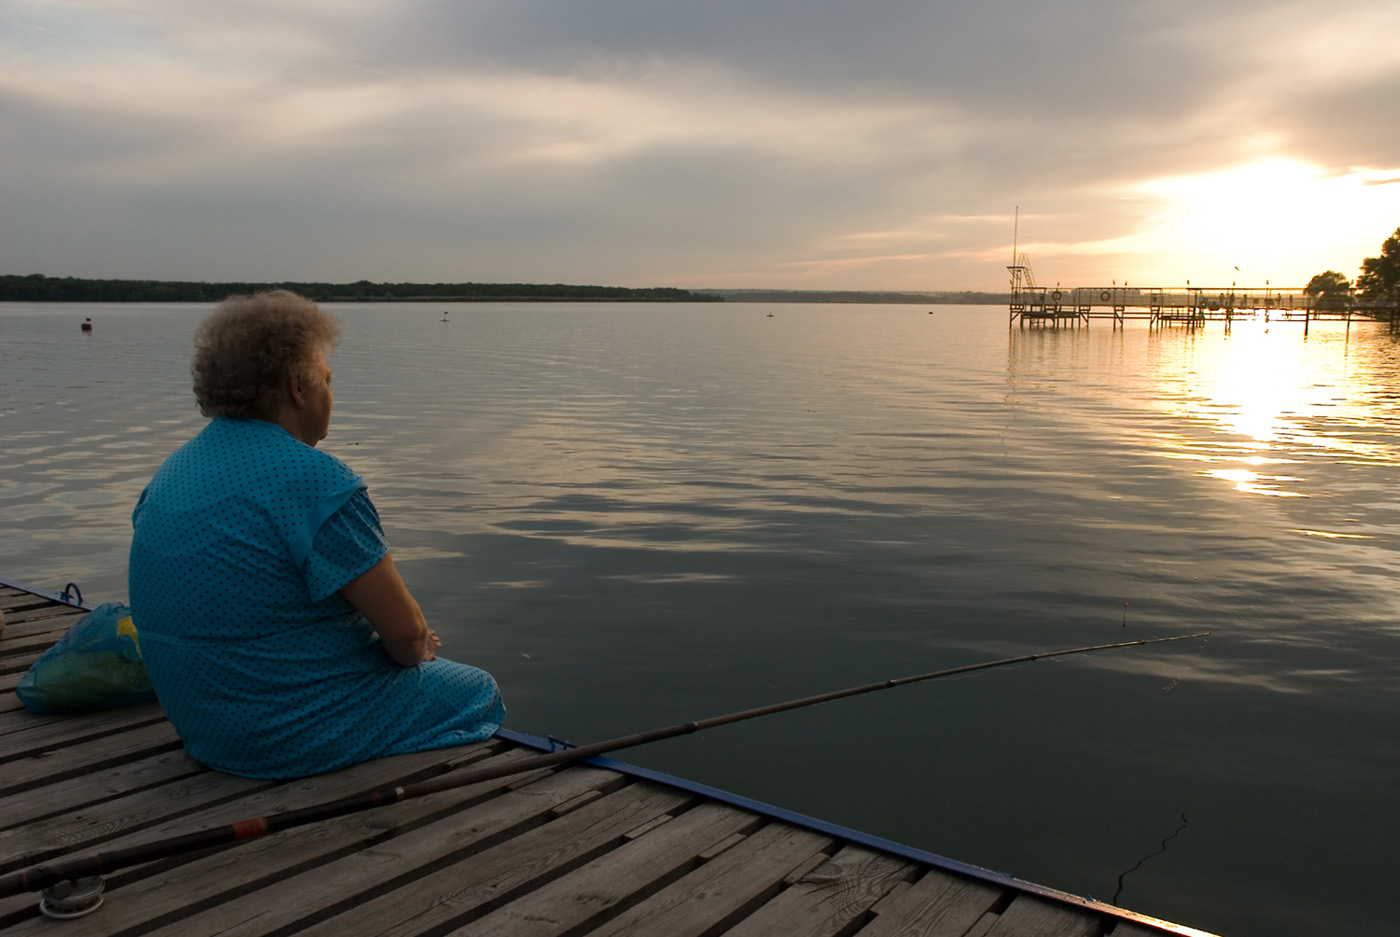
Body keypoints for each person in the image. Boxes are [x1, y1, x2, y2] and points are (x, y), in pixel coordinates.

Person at [128, 291, 504, 778]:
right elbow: (408, 637)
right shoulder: (316, 482)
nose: (331, 393)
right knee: (476, 690)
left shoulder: (172, 471)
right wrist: (415, 646)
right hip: (283, 738)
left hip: (203, 729)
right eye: (327, 379)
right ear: (298, 388)